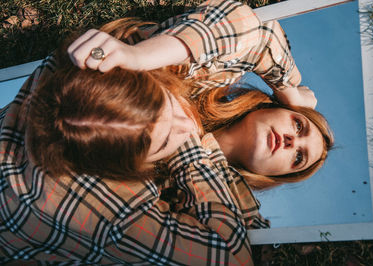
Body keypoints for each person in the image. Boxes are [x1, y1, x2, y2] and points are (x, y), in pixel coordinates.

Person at [0, 0, 333, 264]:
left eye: (299, 157)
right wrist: (193, 150)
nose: (186, 126)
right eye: (300, 125)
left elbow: (254, 28)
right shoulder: (105, 207)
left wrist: (138, 55)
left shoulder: (103, 72)